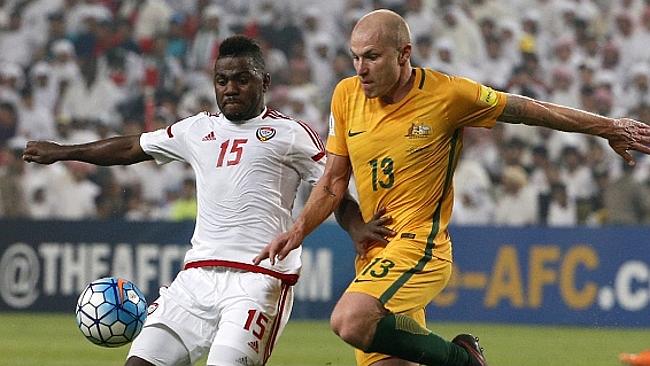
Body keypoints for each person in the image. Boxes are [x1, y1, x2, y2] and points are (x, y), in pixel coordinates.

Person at [254, 9, 650, 366]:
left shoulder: (448, 95)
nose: (361, 68)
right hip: (376, 256)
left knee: (348, 320)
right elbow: (334, 182)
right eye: (356, 56)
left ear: (403, 54)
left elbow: (530, 111)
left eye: (372, 56)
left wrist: (608, 127)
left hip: (420, 245)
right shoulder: (346, 95)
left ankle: (463, 361)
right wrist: (304, 230)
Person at [23, 35, 328, 366]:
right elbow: (130, 148)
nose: (231, 88)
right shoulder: (197, 129)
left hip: (256, 282)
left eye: (242, 80)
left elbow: (334, 183)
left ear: (264, 82)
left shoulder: (291, 134)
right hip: (194, 280)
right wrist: (64, 152)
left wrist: (355, 230)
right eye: (222, 80)